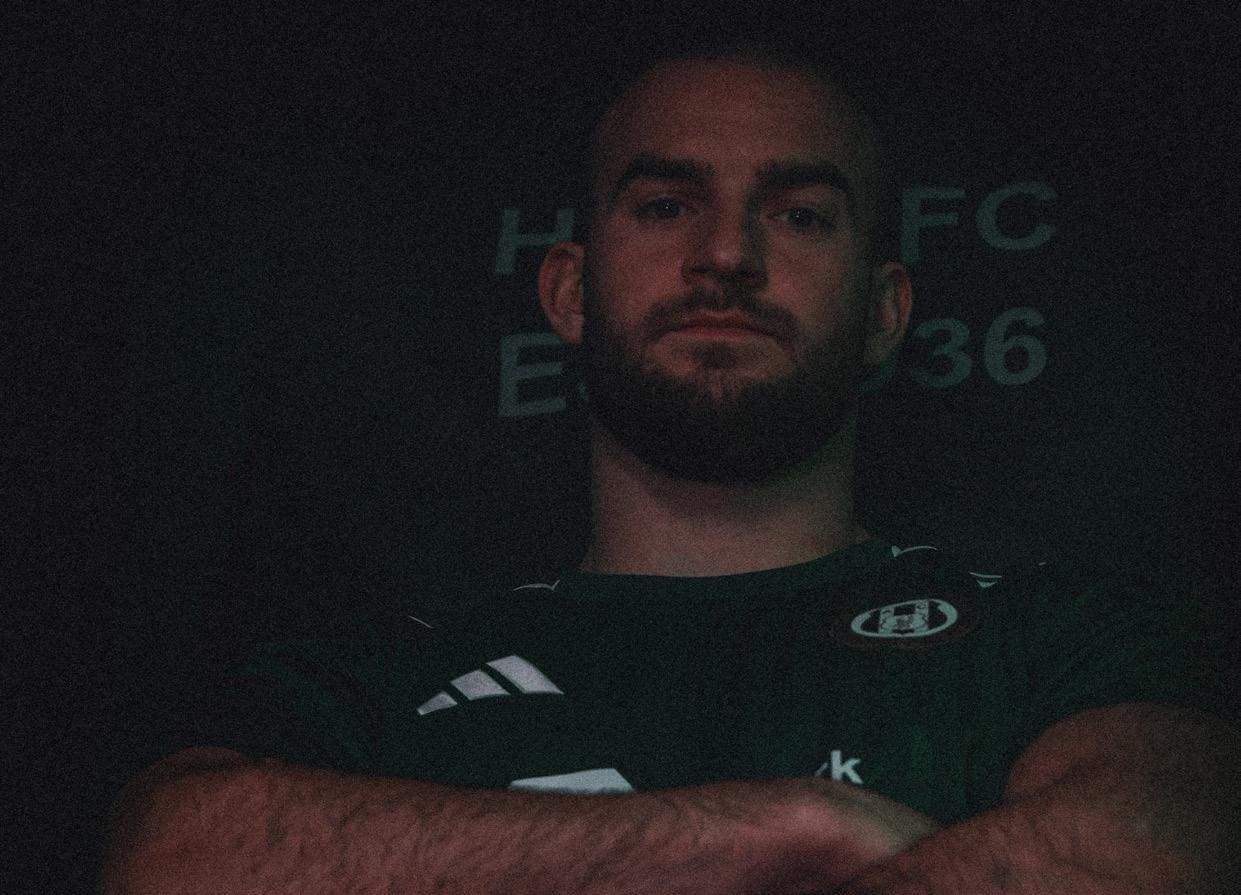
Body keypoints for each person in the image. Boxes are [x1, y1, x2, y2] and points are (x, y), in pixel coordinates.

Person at [102, 44, 1239, 894]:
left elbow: (1160, 848)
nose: (726, 254)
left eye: (799, 215)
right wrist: (781, 834)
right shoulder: (376, 677)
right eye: (662, 205)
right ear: (568, 291)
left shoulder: (1057, 634)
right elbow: (171, 857)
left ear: (885, 312)